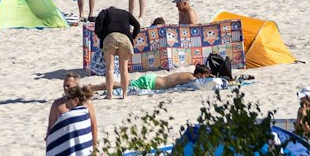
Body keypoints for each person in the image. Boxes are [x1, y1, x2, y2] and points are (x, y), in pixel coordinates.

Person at [45, 76, 99, 156]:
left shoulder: (87, 105)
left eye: (69, 85)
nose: (65, 88)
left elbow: (92, 127)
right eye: (64, 84)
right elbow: (51, 129)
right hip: (69, 153)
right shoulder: (57, 104)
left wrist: (94, 148)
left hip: (81, 152)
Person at [83, 56, 228, 96]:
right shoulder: (191, 78)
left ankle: (95, 87)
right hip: (150, 83)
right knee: (121, 85)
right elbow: (204, 83)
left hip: (152, 80)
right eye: (205, 75)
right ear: (200, 74)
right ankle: (94, 87)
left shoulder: (189, 75)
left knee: (122, 84)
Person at [92, 4, 142, 99]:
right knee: (124, 69)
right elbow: (137, 25)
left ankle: (110, 95)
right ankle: (124, 94)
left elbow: (98, 22)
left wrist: (101, 36)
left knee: (110, 69)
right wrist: (133, 37)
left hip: (110, 38)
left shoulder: (105, 12)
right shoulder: (125, 13)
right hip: (125, 39)